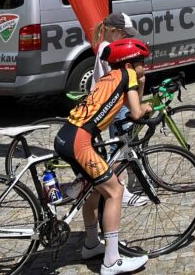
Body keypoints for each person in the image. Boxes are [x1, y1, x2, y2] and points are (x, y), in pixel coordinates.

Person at [54, 38, 153, 275]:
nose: (144, 66)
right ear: (130, 62)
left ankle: (91, 244)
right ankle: (111, 261)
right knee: (115, 190)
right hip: (81, 141)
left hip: (66, 135)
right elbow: (136, 111)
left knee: (94, 189)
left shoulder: (108, 77)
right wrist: (146, 101)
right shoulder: (128, 75)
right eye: (142, 62)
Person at [88, 13, 147, 206]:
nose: (127, 38)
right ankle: (119, 187)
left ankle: (132, 181)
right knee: (118, 148)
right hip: (114, 103)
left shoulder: (106, 46)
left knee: (127, 143)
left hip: (114, 101)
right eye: (125, 34)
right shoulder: (110, 49)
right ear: (114, 31)